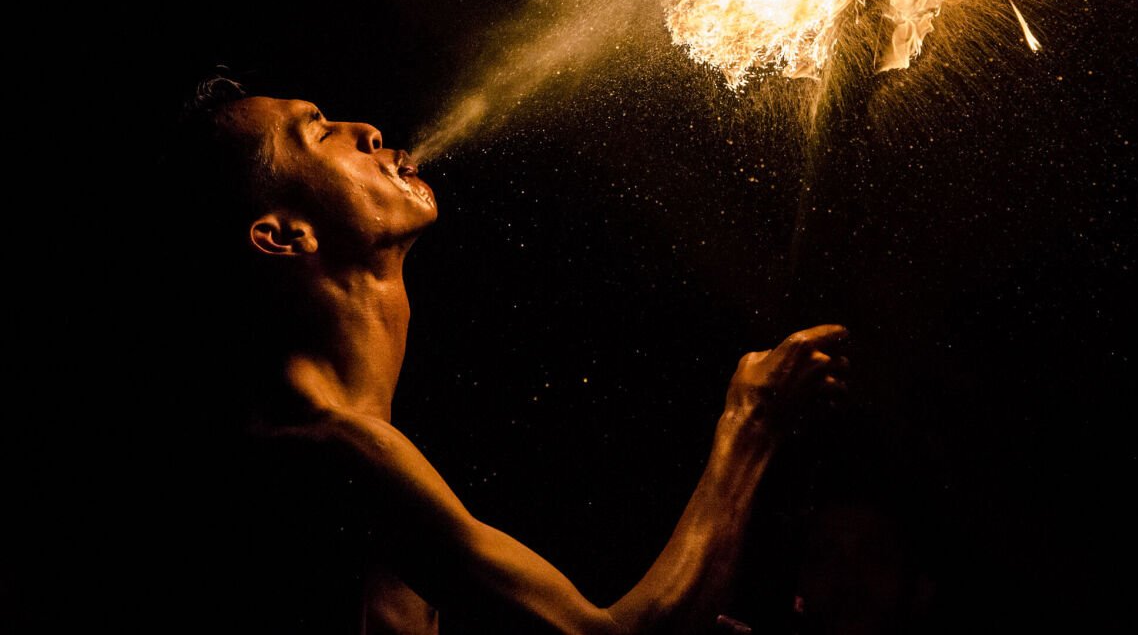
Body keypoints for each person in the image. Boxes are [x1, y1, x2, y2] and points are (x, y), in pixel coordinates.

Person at [173, 78, 849, 633]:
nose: (367, 131)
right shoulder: (327, 450)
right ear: (284, 234)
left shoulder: (349, 441)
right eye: (317, 132)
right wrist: (752, 422)